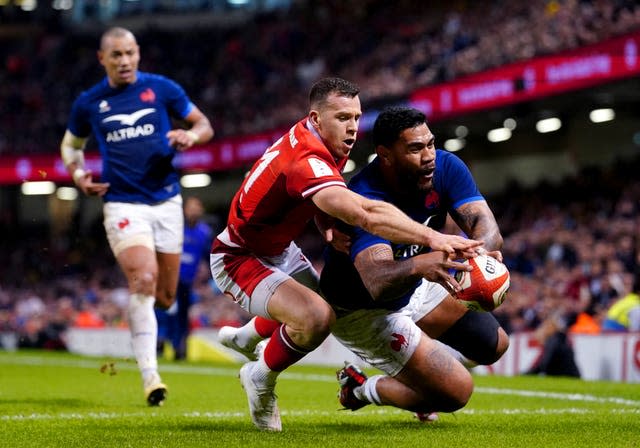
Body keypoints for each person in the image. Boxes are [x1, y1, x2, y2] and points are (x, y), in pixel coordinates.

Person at [210, 78, 482, 431]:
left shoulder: (324, 138)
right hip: (239, 257)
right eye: (343, 117)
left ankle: (247, 336)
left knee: (326, 310)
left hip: (280, 249)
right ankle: (259, 377)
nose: (353, 127)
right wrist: (433, 237)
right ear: (316, 118)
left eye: (356, 116)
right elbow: (365, 213)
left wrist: (325, 225)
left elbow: (312, 194)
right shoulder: (306, 158)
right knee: (317, 318)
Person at [319, 106, 510, 419]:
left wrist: (478, 253)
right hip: (365, 311)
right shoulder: (364, 198)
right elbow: (378, 282)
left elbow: (487, 227)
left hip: (416, 284)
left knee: (494, 345)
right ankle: (360, 389)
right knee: (456, 393)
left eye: (431, 143)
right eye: (415, 148)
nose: (429, 156)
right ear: (386, 155)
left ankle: (422, 377)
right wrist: (424, 264)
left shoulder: (445, 166)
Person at [60, 27, 214, 406]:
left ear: (138, 53)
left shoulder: (162, 89)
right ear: (103, 59)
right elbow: (70, 145)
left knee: (164, 296)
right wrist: (78, 174)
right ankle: (151, 377)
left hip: (166, 203)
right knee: (143, 280)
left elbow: (203, 124)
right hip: (122, 203)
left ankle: (149, 338)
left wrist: (190, 138)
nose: (124, 61)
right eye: (116, 55)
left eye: (129, 53)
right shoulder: (89, 103)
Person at [156, 196, 213, 360]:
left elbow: (209, 255)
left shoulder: (204, 232)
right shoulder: (175, 228)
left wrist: (208, 276)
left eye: (197, 208)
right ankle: (159, 342)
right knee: (164, 311)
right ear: (184, 210)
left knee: (182, 315)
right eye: (191, 208)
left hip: (187, 282)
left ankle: (179, 348)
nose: (194, 211)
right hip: (169, 278)